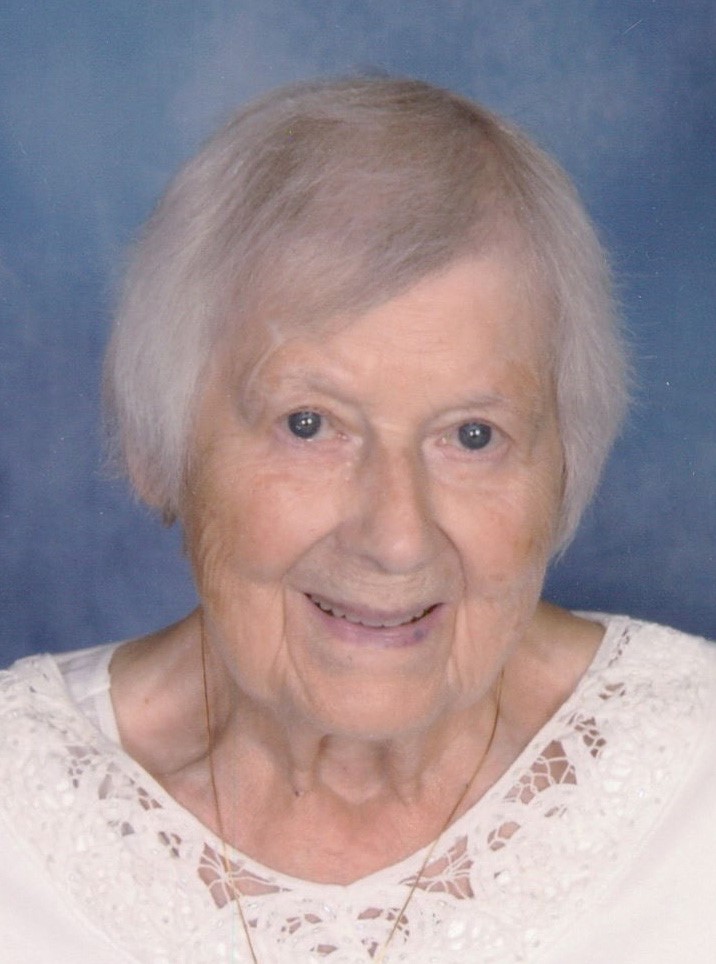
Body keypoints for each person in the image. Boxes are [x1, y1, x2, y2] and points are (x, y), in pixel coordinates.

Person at [0, 76, 714, 964]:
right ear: (163, 444)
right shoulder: (15, 829)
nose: (396, 538)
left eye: (473, 435)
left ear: (565, 464)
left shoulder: (697, 797)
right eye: (309, 425)